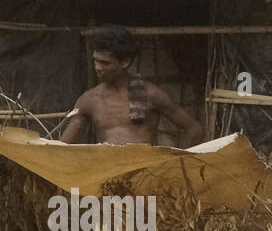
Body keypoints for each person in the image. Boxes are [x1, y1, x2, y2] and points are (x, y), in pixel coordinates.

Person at [58, 25, 204, 147]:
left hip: (145, 174)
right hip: (108, 176)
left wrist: (172, 164)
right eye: (95, 61)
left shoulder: (150, 94)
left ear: (125, 62)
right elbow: (63, 148)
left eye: (105, 63)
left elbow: (194, 130)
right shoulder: (89, 100)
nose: (97, 67)